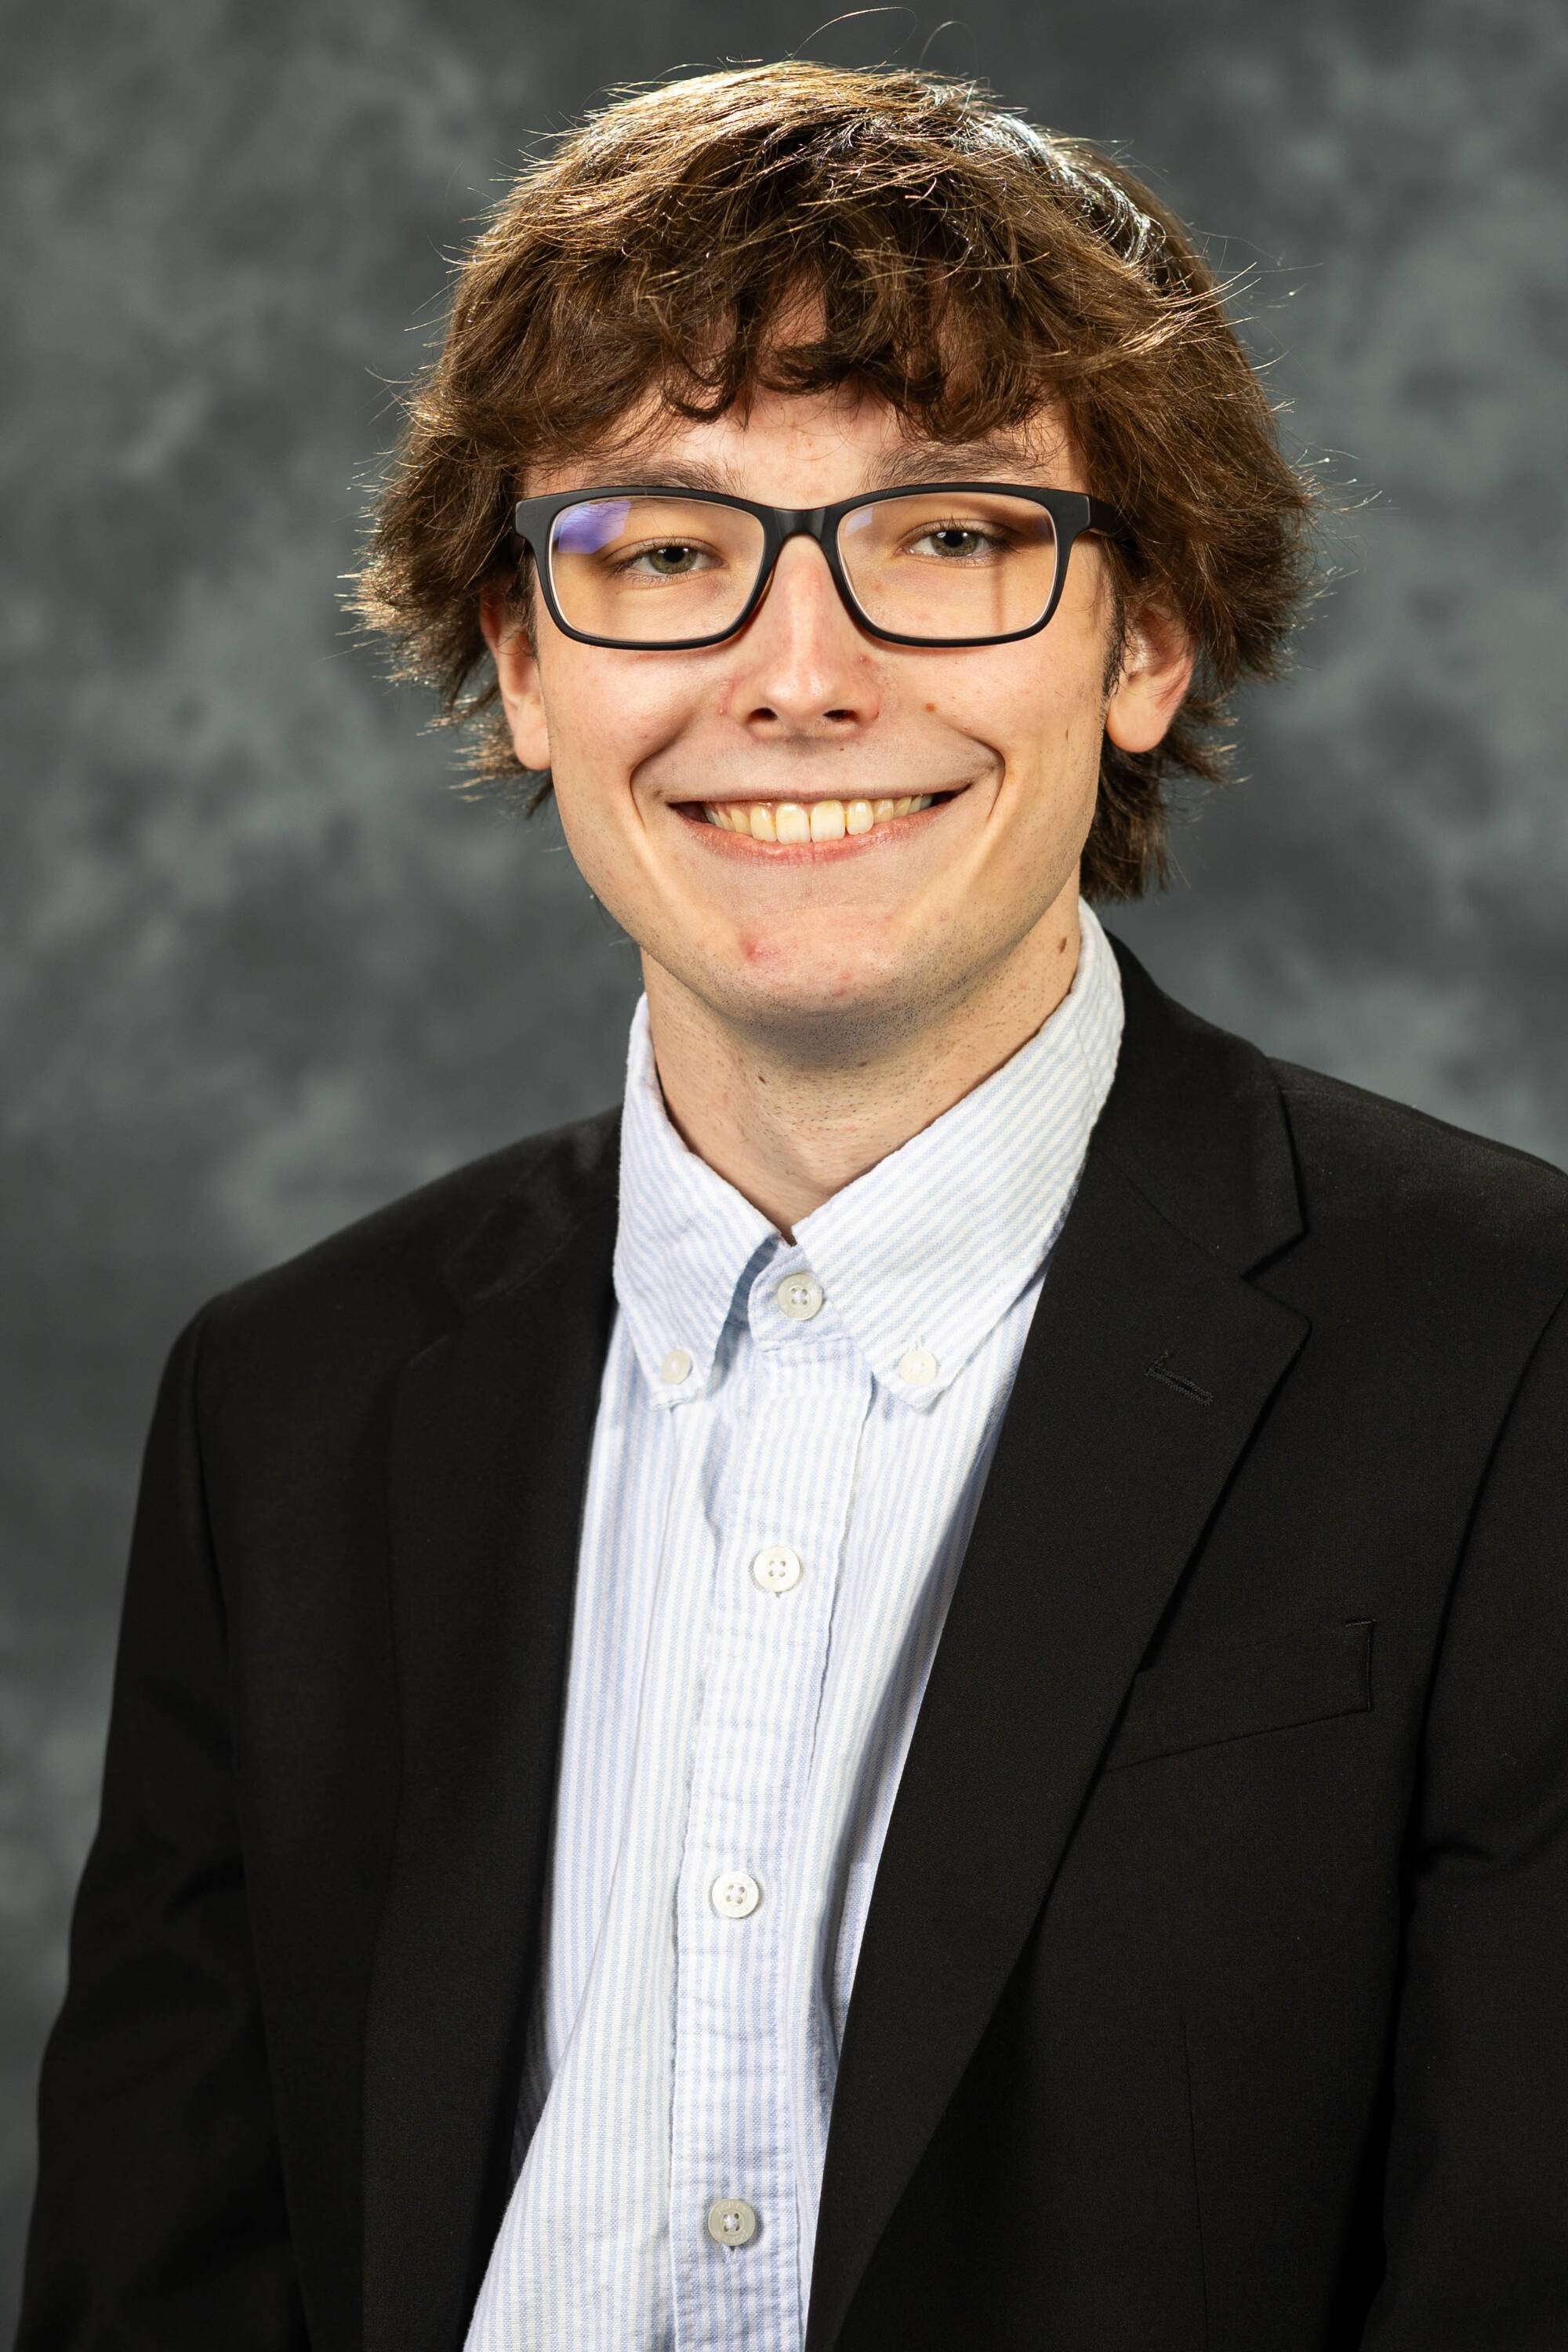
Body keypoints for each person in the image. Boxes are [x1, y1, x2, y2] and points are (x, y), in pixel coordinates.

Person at [19, 61, 1568, 2352]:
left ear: (1145, 644)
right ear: (525, 662)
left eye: (949, 538)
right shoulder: (291, 1407)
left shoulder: (1516, 1362)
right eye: (662, 547)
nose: (800, 674)